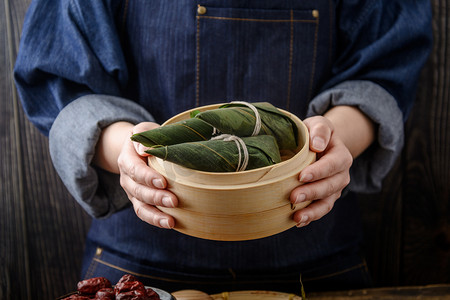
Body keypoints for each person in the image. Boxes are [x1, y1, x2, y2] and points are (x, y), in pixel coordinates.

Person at [14, 0, 432, 295]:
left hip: (317, 258)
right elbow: (61, 78)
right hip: (138, 269)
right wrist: (133, 153)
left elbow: (385, 66)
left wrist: (330, 142)